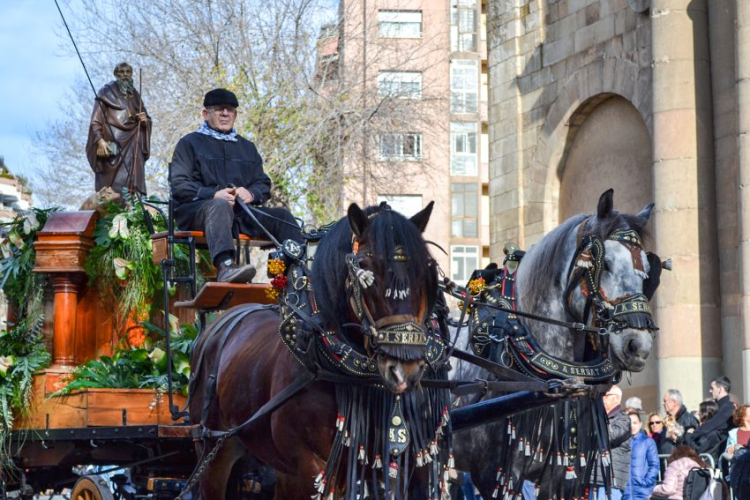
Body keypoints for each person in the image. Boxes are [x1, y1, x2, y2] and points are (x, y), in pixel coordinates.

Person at [170, 88, 303, 283]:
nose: (225, 113)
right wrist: (214, 194)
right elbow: (179, 185)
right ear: (206, 114)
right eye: (219, 109)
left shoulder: (247, 148)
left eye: (230, 109)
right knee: (220, 205)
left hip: (240, 214)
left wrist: (251, 192)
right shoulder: (189, 143)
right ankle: (225, 267)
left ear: (235, 114)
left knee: (283, 217)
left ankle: (298, 271)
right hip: (198, 212)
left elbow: (263, 183)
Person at [86, 62, 151, 195]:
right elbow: (95, 121)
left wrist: (145, 121)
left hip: (133, 145)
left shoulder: (136, 95)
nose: (125, 75)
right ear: (116, 74)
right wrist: (100, 141)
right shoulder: (105, 92)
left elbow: (146, 118)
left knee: (133, 185)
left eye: (128, 72)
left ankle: (134, 211)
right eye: (121, 72)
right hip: (114, 148)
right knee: (113, 189)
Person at [590, 385, 632, 500]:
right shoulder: (599, 417)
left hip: (611, 480)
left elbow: (610, 436)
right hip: (594, 477)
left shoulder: (624, 419)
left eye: (605, 395)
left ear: (616, 398)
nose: (602, 399)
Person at [623, 410, 659, 500]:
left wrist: (646, 482)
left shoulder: (648, 441)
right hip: (625, 491)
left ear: (640, 424)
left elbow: (654, 465)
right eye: (629, 423)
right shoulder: (621, 442)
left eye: (635, 423)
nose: (632, 426)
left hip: (643, 491)